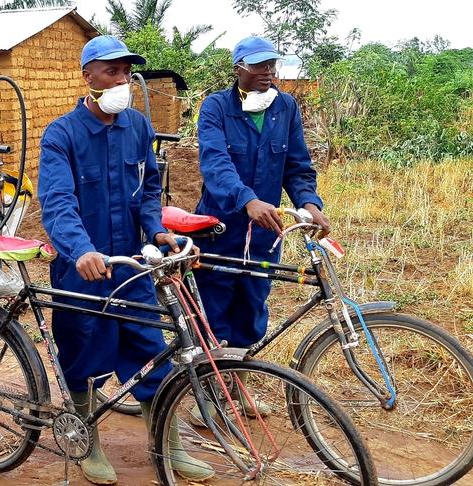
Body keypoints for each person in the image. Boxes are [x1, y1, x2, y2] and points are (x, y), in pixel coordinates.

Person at [38, 35, 213, 484]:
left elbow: (148, 188)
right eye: (111, 71)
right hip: (84, 269)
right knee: (83, 354)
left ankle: (169, 445)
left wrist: (156, 228)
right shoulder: (62, 135)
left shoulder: (138, 126)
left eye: (126, 72)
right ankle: (86, 441)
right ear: (88, 76)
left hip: (132, 266)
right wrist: (81, 251)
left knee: (152, 350)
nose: (122, 80)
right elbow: (58, 204)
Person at [192, 36, 330, 421]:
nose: (268, 71)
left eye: (272, 64)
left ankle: (235, 383)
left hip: (266, 232)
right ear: (238, 68)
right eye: (258, 65)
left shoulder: (285, 107)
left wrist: (309, 202)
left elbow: (297, 166)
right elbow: (215, 164)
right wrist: (246, 199)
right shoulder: (216, 107)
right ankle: (209, 392)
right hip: (220, 227)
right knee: (214, 308)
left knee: (252, 307)